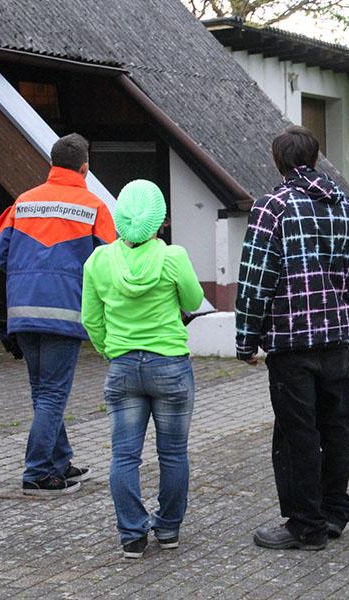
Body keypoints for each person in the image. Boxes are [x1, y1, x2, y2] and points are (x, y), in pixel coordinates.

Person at [236, 125, 349, 551]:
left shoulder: (272, 207)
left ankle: (306, 525)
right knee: (336, 429)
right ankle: (334, 512)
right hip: (336, 341)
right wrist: (343, 320)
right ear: (314, 158)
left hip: (291, 343)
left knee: (297, 435)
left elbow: (256, 278)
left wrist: (246, 339)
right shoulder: (345, 207)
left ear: (279, 161)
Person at [0, 133, 115, 496]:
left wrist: (28, 276)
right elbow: (109, 260)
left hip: (22, 311)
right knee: (52, 394)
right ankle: (37, 473)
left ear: (51, 164)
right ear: (84, 168)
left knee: (42, 392)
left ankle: (60, 462)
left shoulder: (24, 202)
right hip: (63, 312)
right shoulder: (93, 207)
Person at [82, 179, 203, 559]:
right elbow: (194, 299)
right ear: (160, 220)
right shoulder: (173, 257)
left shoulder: (98, 261)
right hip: (170, 367)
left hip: (123, 367)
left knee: (124, 456)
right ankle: (168, 530)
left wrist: (110, 351)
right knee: (173, 454)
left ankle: (132, 535)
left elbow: (91, 319)